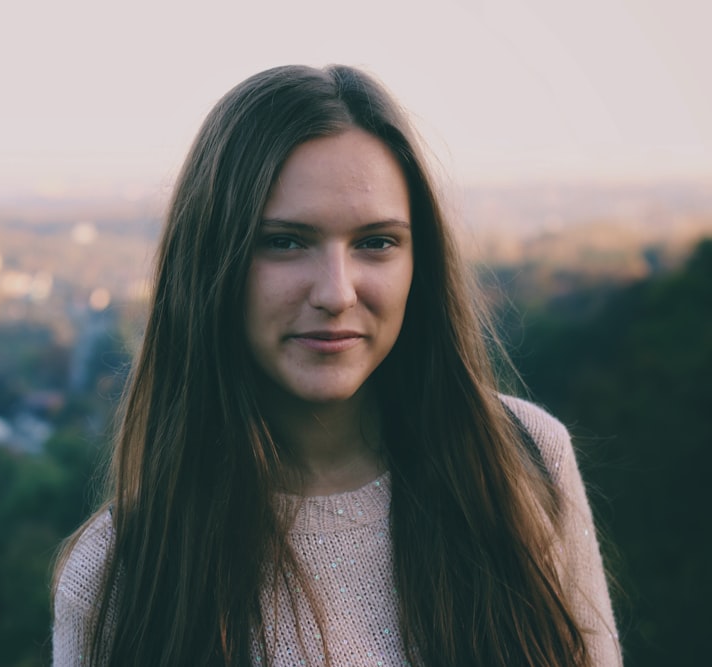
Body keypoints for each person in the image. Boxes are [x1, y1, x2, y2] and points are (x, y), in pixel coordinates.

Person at [51, 64, 621, 666]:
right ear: (211, 264)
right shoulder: (122, 576)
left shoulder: (523, 462)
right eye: (286, 241)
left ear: (417, 264)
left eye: (376, 242)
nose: (336, 292)